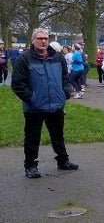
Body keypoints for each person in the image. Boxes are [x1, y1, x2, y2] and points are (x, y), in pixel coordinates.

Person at [11, 28, 79, 178]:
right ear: (33, 40)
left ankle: (63, 161)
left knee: (58, 135)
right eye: (40, 38)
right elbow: (17, 84)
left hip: (56, 105)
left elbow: (65, 78)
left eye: (45, 38)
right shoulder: (24, 59)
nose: (43, 41)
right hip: (34, 108)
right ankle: (30, 166)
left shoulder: (57, 57)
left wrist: (65, 92)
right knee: (32, 138)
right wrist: (32, 98)